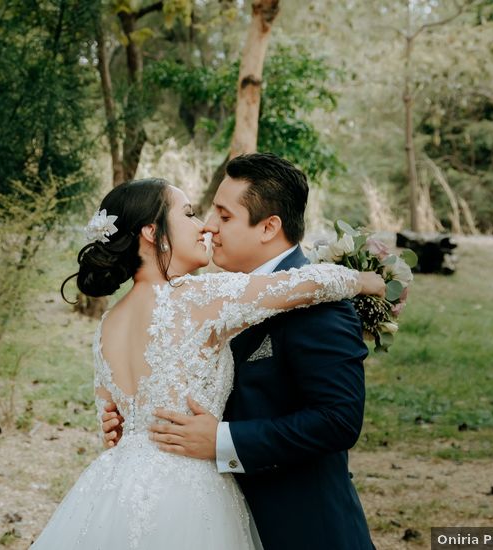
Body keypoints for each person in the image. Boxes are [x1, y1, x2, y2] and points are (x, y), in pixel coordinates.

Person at [30, 176, 384, 550]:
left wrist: (119, 426)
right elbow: (308, 284)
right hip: (189, 488)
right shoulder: (198, 296)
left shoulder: (107, 325)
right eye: (189, 214)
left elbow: (112, 422)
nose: (204, 227)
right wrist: (368, 282)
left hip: (116, 487)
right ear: (153, 233)